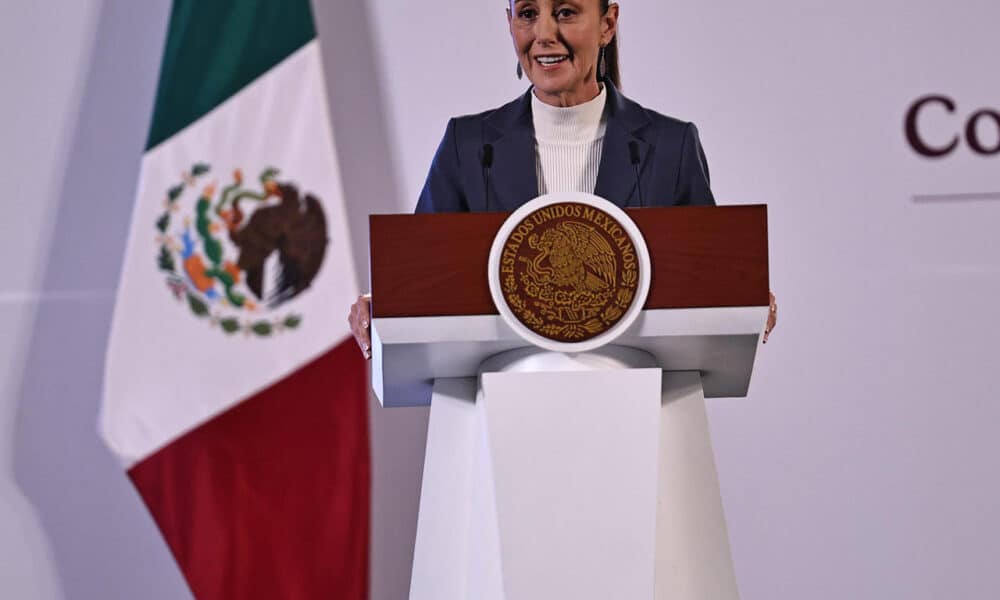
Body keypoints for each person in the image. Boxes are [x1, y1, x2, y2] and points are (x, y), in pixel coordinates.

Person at [349, 0, 777, 357]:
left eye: (567, 12)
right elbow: (424, 280)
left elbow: (710, 280)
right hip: (502, 412)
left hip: (638, 412)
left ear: (608, 23)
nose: (544, 33)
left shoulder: (670, 146)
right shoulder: (467, 146)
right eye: (528, 13)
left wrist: (746, 299)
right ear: (509, 22)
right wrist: (385, 307)